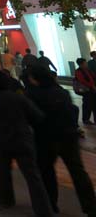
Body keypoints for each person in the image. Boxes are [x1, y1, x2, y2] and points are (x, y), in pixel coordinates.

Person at [0, 69, 53, 216]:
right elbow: (37, 115)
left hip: (1, 139)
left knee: (2, 170)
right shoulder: (18, 97)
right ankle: (42, 208)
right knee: (32, 175)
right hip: (22, 138)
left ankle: (5, 199)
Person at [25, 66, 96, 216]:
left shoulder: (33, 95)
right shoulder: (62, 92)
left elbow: (32, 117)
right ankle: (90, 206)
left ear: (35, 78)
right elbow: (72, 111)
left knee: (46, 172)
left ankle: (51, 205)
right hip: (68, 136)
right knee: (78, 171)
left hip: (46, 139)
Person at [73, 57, 96, 125]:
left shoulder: (87, 70)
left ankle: (86, 119)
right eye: (85, 63)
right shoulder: (78, 71)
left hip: (91, 89)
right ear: (81, 64)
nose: (86, 64)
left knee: (88, 104)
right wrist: (92, 86)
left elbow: (93, 77)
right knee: (90, 104)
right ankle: (86, 119)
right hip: (86, 90)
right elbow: (83, 81)